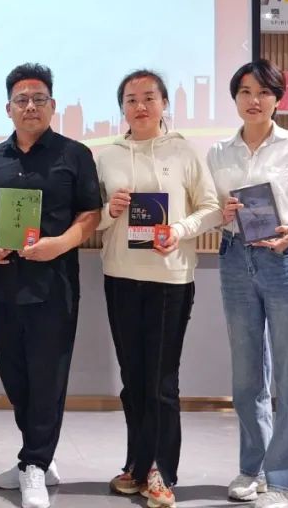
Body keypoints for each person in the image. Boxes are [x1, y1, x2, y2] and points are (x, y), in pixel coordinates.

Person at [0, 63, 102, 508]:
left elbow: (90, 214)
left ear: (53, 105)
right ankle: (38, 457)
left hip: (54, 286)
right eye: (22, 100)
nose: (31, 106)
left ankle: (34, 465)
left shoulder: (74, 155)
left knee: (48, 378)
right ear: (8, 107)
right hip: (6, 286)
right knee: (15, 376)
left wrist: (59, 245)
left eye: (39, 99)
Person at [207, 59, 288, 508]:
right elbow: (214, 209)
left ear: (278, 99)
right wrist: (221, 213)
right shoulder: (219, 152)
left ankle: (285, 483)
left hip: (284, 258)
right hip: (234, 257)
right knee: (246, 374)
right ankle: (253, 468)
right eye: (244, 91)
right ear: (235, 98)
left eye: (263, 92)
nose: (254, 100)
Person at [96, 70, 220, 507]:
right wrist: (110, 211)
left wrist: (179, 230)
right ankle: (136, 463)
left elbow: (212, 208)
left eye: (149, 97)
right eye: (131, 99)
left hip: (170, 279)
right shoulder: (107, 156)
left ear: (165, 103)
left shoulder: (185, 152)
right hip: (120, 276)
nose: (140, 106)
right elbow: (89, 217)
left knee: (161, 381)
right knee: (132, 379)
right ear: (122, 108)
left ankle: (162, 471)